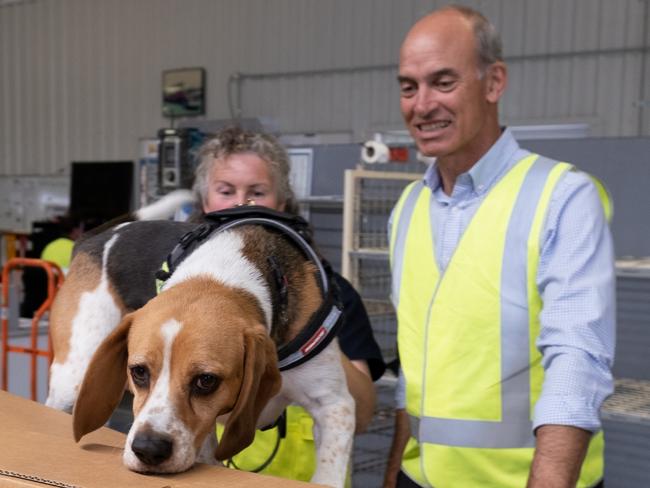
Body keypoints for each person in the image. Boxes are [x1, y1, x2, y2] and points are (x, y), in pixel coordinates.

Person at [383, 5, 615, 488]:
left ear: (494, 83)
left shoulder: (561, 196)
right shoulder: (407, 208)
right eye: (409, 86)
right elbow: (415, 372)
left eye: (443, 82)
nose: (422, 105)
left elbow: (577, 358)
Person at [192, 126, 386, 483]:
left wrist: (310, 337)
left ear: (282, 204)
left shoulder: (331, 294)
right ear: (205, 204)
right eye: (225, 191)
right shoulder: (181, 295)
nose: (243, 203)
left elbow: (360, 416)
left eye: (257, 191)